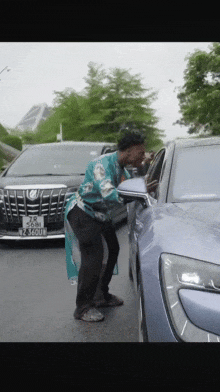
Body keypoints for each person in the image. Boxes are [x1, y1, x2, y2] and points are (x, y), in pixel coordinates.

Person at [64, 131, 146, 322]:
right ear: (128, 151)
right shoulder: (101, 165)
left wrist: (142, 188)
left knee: (113, 249)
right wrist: (139, 193)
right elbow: (109, 193)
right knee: (93, 257)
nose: (142, 157)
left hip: (101, 214)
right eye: (140, 153)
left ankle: (100, 295)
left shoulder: (122, 169)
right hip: (83, 213)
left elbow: (129, 187)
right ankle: (83, 307)